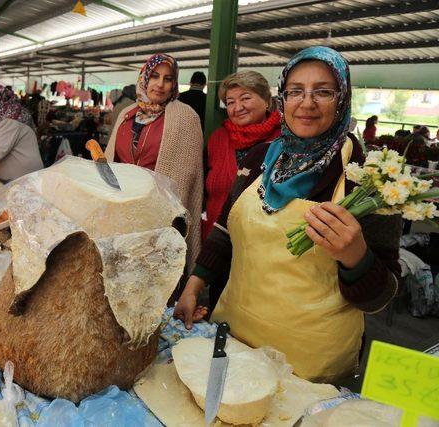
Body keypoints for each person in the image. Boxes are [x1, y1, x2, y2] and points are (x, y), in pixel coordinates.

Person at [174, 46, 401, 384]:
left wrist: (357, 258)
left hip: (309, 364)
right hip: (235, 337)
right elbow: (224, 230)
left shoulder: (367, 177)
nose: (306, 103)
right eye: (295, 91)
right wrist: (194, 285)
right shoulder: (260, 157)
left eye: (323, 91)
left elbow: (380, 297)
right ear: (282, 98)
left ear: (342, 98)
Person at [104, 53, 204, 272]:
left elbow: (188, 178)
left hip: (160, 222)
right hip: (121, 216)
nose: (160, 84)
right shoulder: (126, 114)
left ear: (174, 83)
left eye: (168, 79)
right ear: (144, 78)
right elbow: (110, 162)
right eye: (155, 76)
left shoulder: (186, 117)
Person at [203, 70, 281, 245]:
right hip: (215, 243)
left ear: (267, 101)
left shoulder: (283, 140)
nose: (237, 107)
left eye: (245, 98)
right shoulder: (218, 139)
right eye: (230, 102)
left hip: (262, 245)